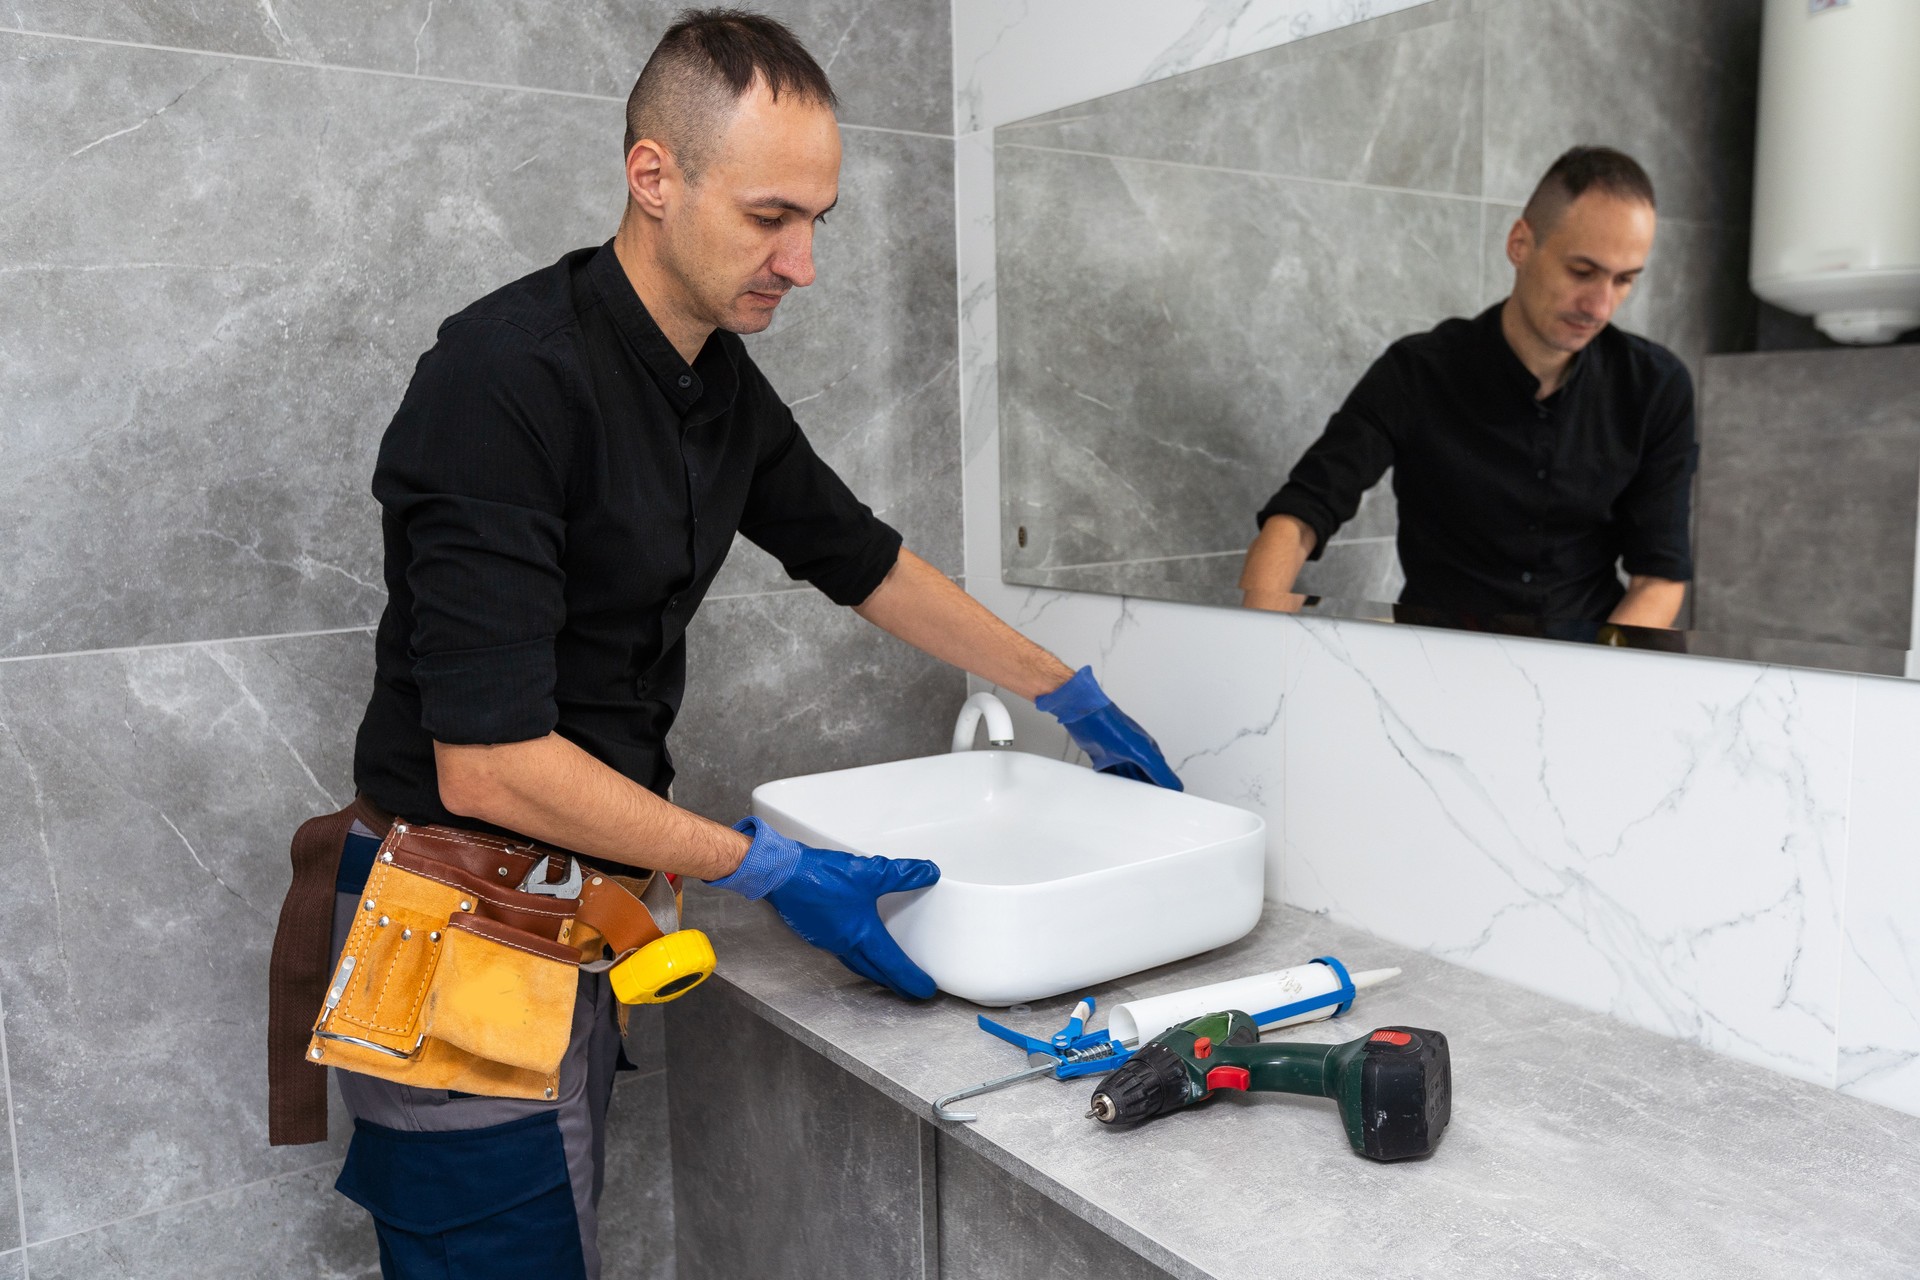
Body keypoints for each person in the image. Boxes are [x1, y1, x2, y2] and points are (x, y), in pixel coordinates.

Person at [266, 11, 1179, 1278]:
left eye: (820, 220)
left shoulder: (716, 385)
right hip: (455, 926)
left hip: (577, 916)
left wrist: (1060, 687)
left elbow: (861, 559)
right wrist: (764, 866)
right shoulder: (505, 378)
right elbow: (489, 764)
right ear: (654, 178)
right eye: (769, 217)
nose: (802, 263)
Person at [1240, 146, 1697, 628]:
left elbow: (1659, 579)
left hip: (1584, 663)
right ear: (1520, 244)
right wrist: (1259, 638)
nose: (1600, 306)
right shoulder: (1416, 372)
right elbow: (1299, 517)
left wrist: (1588, 681)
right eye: (1581, 272)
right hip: (1434, 658)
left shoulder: (1656, 388)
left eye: (1624, 280)